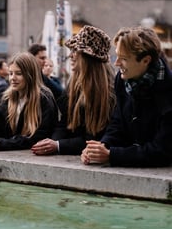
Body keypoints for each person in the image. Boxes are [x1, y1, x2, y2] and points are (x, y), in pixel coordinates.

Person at [81, 26, 172, 167]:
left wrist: (112, 155)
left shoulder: (168, 92)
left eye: (123, 58)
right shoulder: (122, 79)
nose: (116, 63)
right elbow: (117, 122)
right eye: (117, 56)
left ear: (146, 60)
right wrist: (100, 148)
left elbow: (162, 150)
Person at [31, 25, 116, 156]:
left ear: (88, 57)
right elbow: (63, 123)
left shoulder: (109, 92)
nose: (70, 55)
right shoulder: (74, 84)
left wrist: (58, 145)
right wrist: (52, 142)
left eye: (75, 51)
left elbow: (93, 139)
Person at [0, 52, 58, 151]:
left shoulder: (44, 98)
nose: (13, 78)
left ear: (30, 75)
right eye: (11, 73)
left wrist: (1, 144)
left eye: (19, 73)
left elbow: (39, 138)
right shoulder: (6, 98)